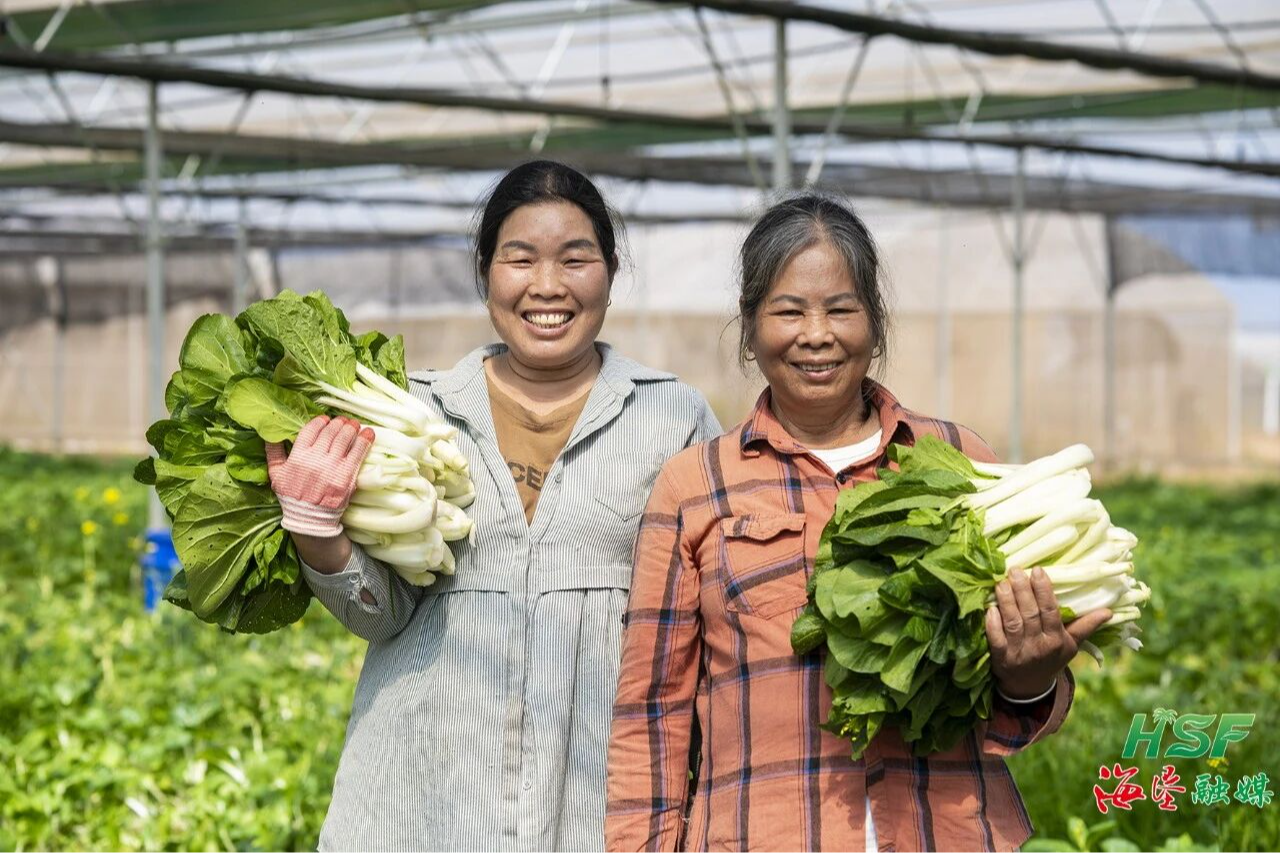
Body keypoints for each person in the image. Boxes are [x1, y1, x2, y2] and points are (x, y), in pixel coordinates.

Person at [605, 194, 1110, 852]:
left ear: (874, 322)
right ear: (751, 328)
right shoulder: (694, 486)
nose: (816, 334)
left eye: (841, 308)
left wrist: (1030, 677)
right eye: (788, 310)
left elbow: (1015, 718)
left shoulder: (961, 461)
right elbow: (653, 713)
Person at [265, 160, 721, 851]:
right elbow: (380, 612)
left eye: (576, 258)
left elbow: (710, 617)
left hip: (597, 810)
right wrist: (316, 529)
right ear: (484, 274)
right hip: (422, 806)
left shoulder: (671, 416)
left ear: (611, 269)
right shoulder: (415, 410)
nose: (547, 285)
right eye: (520, 258)